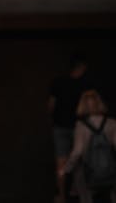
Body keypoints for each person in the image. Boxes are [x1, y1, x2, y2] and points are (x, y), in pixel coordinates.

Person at [50, 54, 96, 202]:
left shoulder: (58, 83)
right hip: (78, 127)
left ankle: (62, 196)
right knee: (80, 162)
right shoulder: (85, 84)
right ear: (82, 67)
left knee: (62, 164)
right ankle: (82, 195)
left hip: (60, 126)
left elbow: (50, 105)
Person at [59, 90, 116, 203]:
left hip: (88, 170)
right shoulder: (112, 123)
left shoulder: (81, 126)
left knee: (84, 191)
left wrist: (66, 169)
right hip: (110, 168)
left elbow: (77, 152)